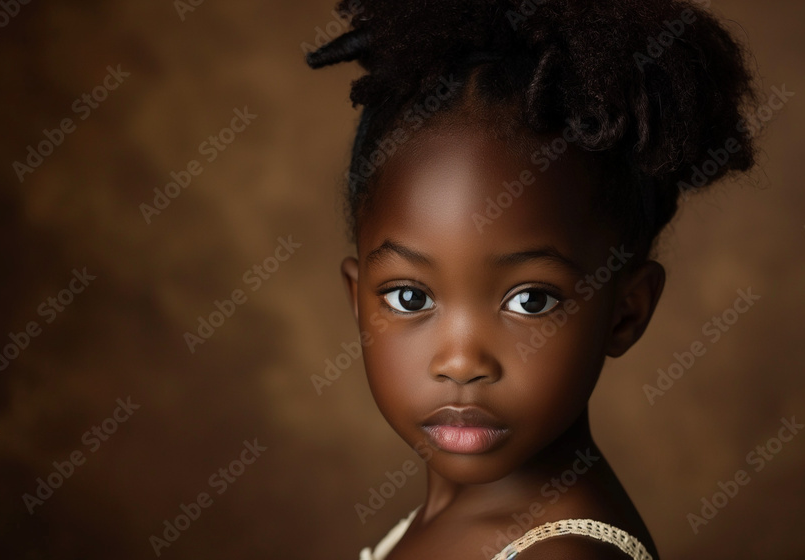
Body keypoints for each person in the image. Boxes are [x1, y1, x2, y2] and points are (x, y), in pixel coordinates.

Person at [305, 0, 758, 558]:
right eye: (409, 296)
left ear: (626, 311)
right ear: (357, 300)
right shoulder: (445, 520)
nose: (462, 361)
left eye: (531, 300)